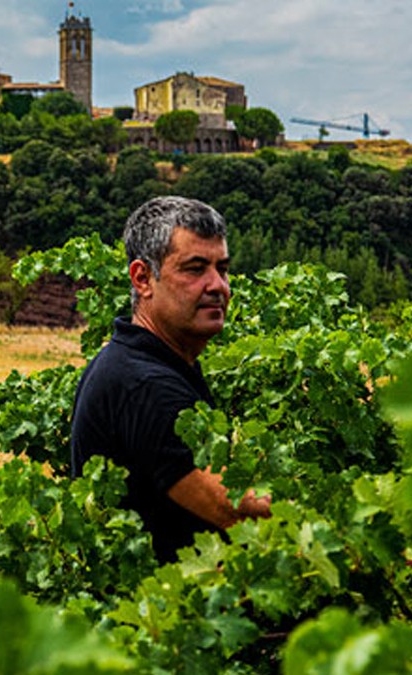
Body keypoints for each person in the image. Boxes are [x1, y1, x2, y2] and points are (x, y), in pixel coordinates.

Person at [70, 196, 271, 563]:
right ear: (143, 279)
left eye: (222, 269)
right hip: (170, 614)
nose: (218, 286)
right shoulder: (145, 386)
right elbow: (233, 510)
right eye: (195, 269)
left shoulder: (140, 363)